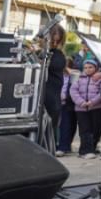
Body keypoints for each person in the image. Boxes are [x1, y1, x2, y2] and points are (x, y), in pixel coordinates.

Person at [69, 57, 101, 159]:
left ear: (95, 68)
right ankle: (85, 151)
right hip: (81, 109)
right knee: (84, 129)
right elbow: (73, 91)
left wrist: (92, 102)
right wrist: (81, 102)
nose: (88, 69)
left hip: (96, 108)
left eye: (90, 67)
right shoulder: (79, 78)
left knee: (96, 128)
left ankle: (93, 147)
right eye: (86, 67)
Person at [41, 24, 67, 154]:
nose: (55, 43)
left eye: (58, 41)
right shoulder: (41, 53)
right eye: (52, 40)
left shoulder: (58, 55)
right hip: (41, 95)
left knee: (50, 127)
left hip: (52, 97)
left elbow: (54, 66)